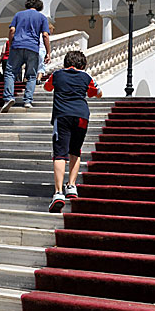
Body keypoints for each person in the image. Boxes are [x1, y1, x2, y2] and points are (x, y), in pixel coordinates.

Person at [44, 50, 102, 213]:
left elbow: (47, 87)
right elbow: (97, 92)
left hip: (62, 116)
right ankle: (71, 186)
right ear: (82, 65)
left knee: (60, 153)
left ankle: (58, 193)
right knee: (75, 151)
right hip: (82, 116)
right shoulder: (86, 77)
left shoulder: (57, 75)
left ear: (65, 63)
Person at [0, 0, 51, 112]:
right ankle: (27, 101)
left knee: (10, 72)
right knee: (32, 75)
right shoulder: (42, 17)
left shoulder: (18, 15)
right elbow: (45, 35)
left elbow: (12, 30)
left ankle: (8, 97)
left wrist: (12, 44)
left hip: (17, 46)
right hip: (33, 47)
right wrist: (48, 52)